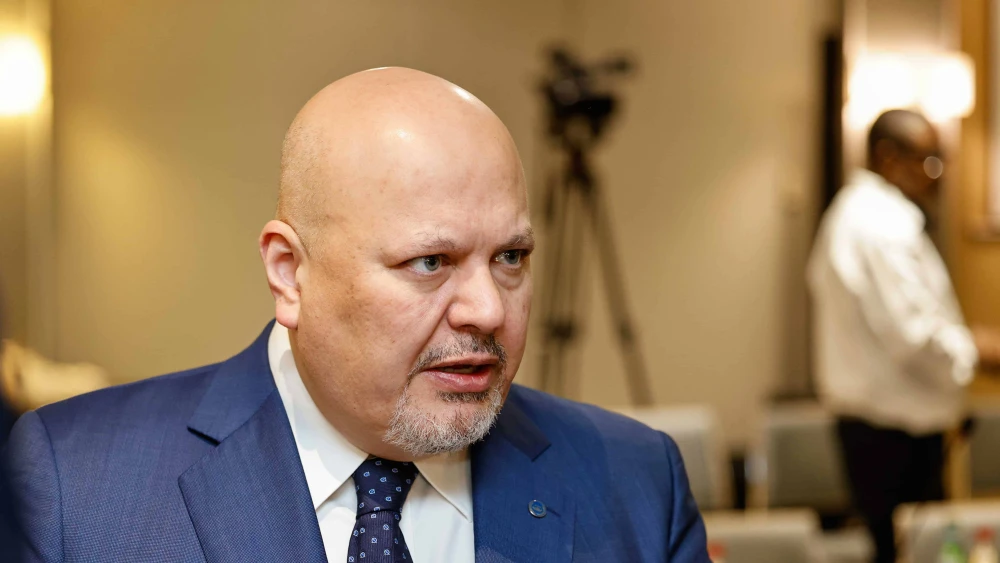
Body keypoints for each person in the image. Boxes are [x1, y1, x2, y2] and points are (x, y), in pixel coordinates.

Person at [4, 68, 708, 562]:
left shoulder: (638, 483)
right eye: (430, 262)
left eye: (511, 256)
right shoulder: (80, 488)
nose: (489, 307)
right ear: (290, 272)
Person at [808, 109, 1000, 563]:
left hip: (881, 429)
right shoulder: (879, 225)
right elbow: (913, 336)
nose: (938, 176)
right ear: (888, 157)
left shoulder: (855, 215)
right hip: (891, 438)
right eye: (929, 160)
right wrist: (976, 350)